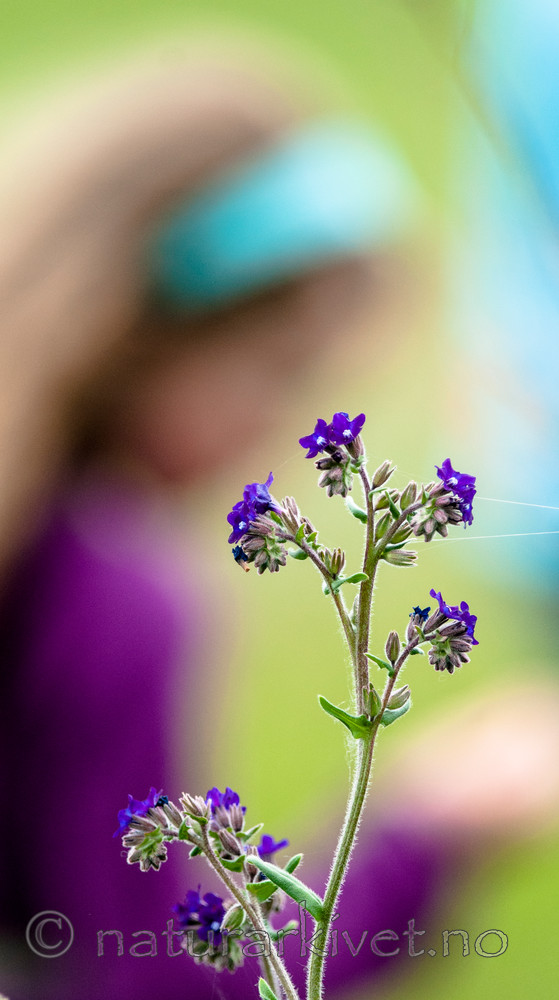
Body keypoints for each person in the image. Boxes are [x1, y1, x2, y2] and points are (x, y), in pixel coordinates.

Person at [0, 40, 558, 1000]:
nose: (276, 433)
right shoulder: (107, 601)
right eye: (273, 375)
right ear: (136, 323)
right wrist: (425, 834)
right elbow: (146, 975)